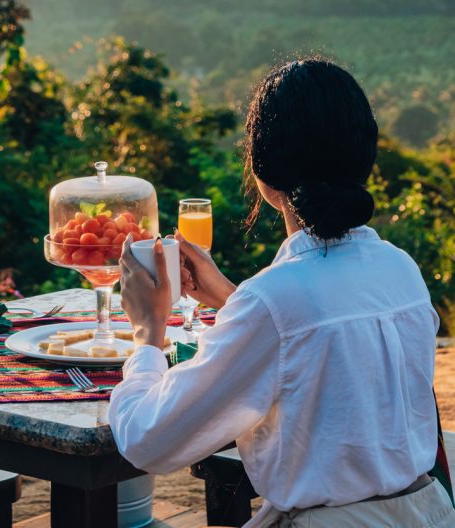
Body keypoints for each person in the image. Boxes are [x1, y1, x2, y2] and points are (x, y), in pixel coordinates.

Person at [109, 58, 454, 527]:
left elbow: (148, 441)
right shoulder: (401, 269)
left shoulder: (274, 301)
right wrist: (235, 298)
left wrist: (146, 333)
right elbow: (323, 353)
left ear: (261, 175)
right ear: (366, 159)